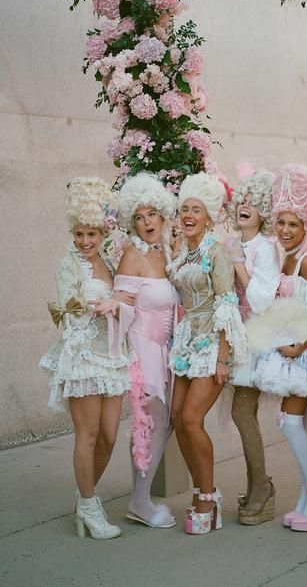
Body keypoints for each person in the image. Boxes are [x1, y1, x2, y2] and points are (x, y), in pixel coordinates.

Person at [40, 177, 130, 540]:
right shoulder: (69, 265)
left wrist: (120, 305)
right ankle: (90, 507)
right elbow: (68, 313)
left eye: (91, 234)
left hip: (111, 357)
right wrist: (98, 309)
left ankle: (84, 496)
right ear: (73, 231)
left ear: (102, 233)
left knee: (109, 436)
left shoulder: (107, 259)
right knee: (88, 435)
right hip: (82, 359)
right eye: (79, 234)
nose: (85, 242)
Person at [252, 164, 307, 532]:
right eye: (281, 223)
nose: (285, 230)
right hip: (291, 347)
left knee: (289, 421)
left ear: (306, 226)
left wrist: (298, 346)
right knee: (294, 421)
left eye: (293, 224)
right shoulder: (286, 257)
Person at [98, 172, 179, 529]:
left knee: (163, 423)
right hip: (144, 349)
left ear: (163, 215)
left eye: (152, 215)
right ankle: (140, 500)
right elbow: (122, 303)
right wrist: (111, 302)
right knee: (151, 422)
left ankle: (140, 496)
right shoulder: (132, 255)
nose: (147, 222)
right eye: (139, 217)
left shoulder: (167, 250)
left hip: (167, 350)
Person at [169, 172, 247, 535]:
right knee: (176, 418)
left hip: (212, 341)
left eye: (195, 210)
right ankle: (204, 490)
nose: (188, 215)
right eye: (184, 208)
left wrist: (223, 355)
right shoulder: (182, 251)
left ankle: (208, 495)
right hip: (186, 340)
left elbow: (227, 302)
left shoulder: (217, 252)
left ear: (208, 216)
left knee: (190, 418)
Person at [225, 168, 281, 525]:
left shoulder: (264, 249)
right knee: (242, 413)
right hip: (234, 339)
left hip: (258, 339)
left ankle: (262, 487)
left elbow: (261, 299)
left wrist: (237, 262)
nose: (245, 207)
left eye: (253, 203)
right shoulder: (235, 243)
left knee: (242, 413)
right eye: (241, 201)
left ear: (264, 212)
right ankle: (257, 485)